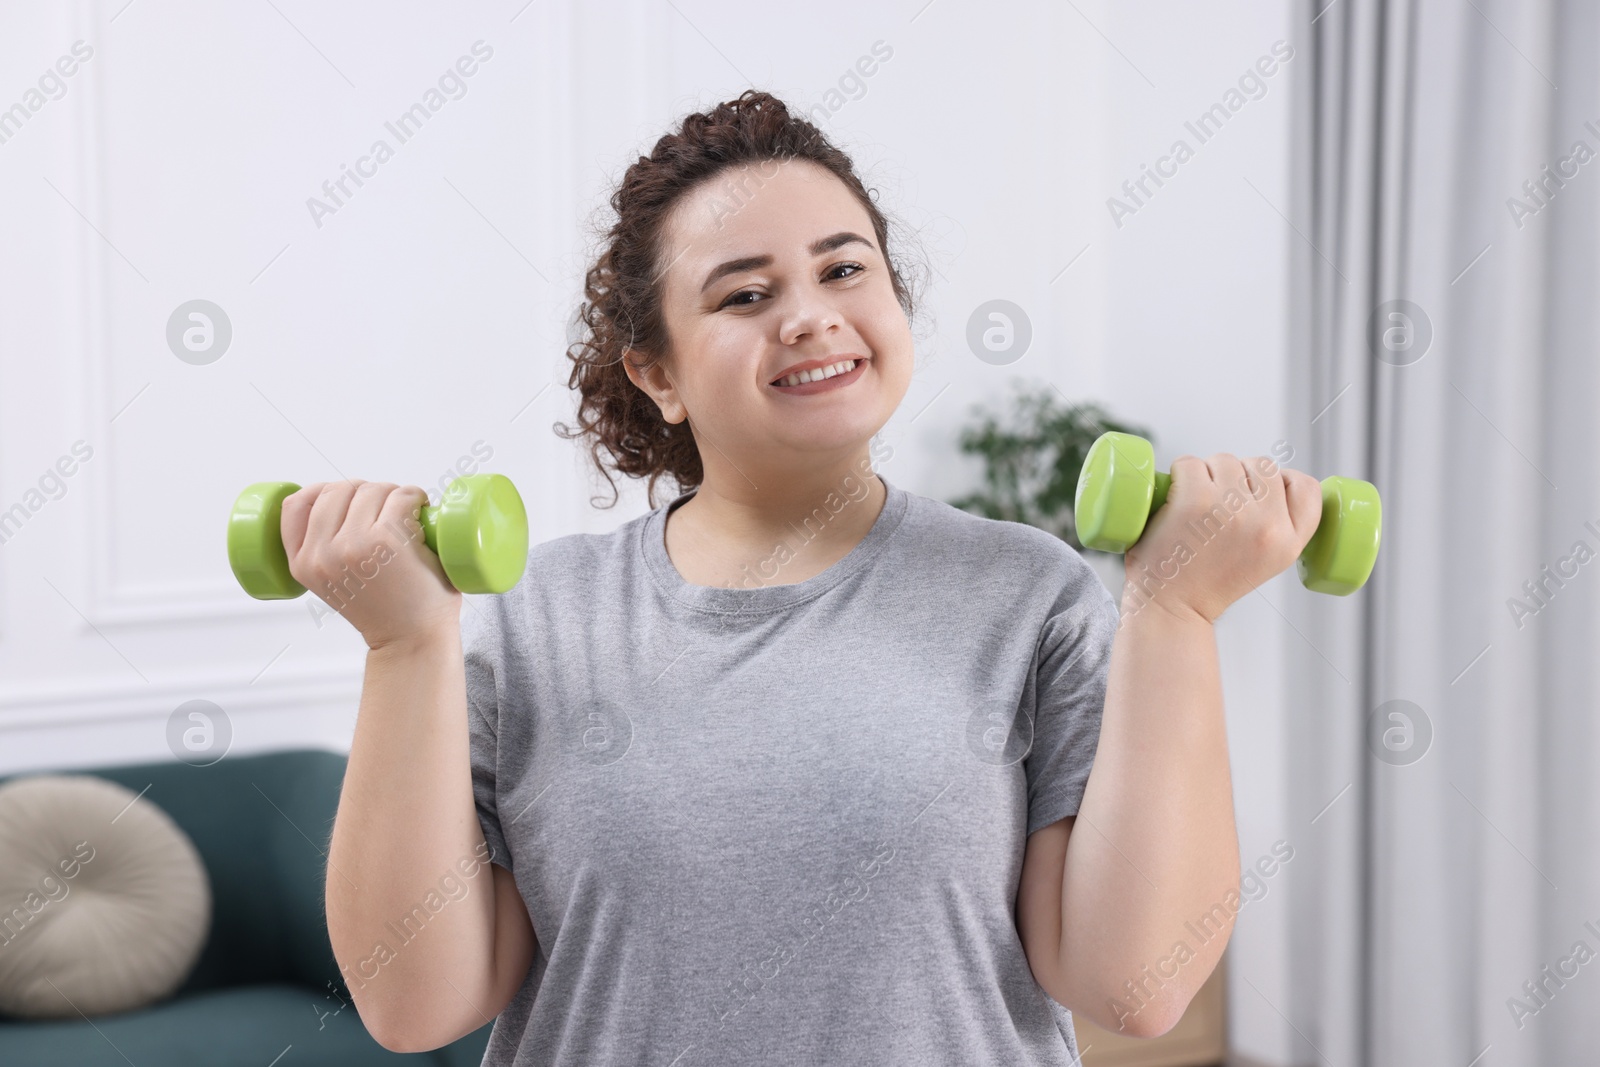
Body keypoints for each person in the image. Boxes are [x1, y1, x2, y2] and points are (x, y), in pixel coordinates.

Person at [306, 90, 1325, 1065]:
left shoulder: (1027, 595)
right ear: (654, 372)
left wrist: (1177, 609)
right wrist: (403, 646)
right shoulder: (541, 618)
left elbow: (1132, 982)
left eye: (845, 270)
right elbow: (414, 1003)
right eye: (745, 294)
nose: (809, 316)